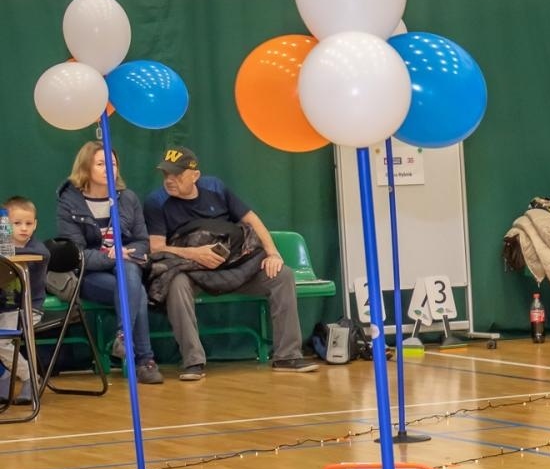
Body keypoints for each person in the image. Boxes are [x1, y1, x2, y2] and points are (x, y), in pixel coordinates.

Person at [143, 147, 316, 379]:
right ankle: (193, 361)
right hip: (193, 272)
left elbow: (252, 220)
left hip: (236, 267)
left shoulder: (215, 187)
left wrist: (273, 254)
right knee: (176, 284)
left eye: (177, 174)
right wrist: (195, 253)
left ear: (195, 175)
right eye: (166, 174)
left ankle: (287, 356)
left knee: (282, 275)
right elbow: (156, 248)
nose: (169, 180)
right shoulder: (156, 202)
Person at [56, 142, 163, 385]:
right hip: (89, 275)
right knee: (135, 291)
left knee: (129, 276)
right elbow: (77, 254)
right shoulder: (69, 202)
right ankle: (145, 360)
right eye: (101, 164)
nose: (109, 169)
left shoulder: (127, 199)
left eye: (112, 164)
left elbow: (142, 241)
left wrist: (126, 253)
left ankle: (124, 337)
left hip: (126, 268)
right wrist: (112, 256)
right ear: (85, 167)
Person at [0, 196, 50, 402]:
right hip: (5, 309)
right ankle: (5, 377)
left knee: (2, 342)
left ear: (36, 225)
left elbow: (27, 255)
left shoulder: (38, 250)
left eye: (28, 224)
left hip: (28, 309)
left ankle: (30, 377)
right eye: (17, 223)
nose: (23, 229)